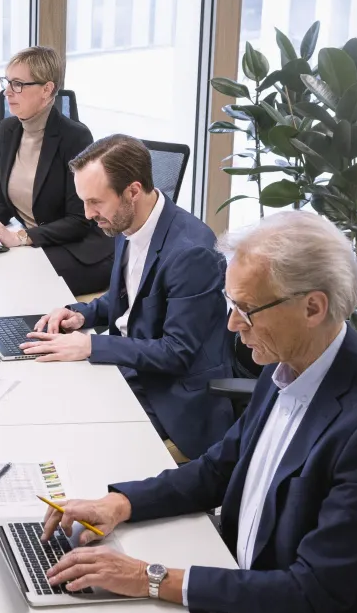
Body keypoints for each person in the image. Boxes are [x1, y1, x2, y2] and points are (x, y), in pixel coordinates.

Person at [40, 211, 357, 613]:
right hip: (246, 579)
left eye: (246, 310)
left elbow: (311, 593)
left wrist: (150, 578)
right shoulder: (288, 362)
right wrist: (121, 504)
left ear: (313, 307)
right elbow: (220, 468)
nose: (231, 325)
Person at [23, 134, 235, 459]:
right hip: (132, 369)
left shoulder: (191, 253)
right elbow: (133, 300)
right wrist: (83, 315)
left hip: (171, 396)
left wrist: (91, 345)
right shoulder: (128, 222)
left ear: (132, 191)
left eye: (95, 201)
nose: (88, 213)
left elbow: (177, 353)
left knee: (77, 440)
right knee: (45, 397)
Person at [0, 46, 113, 295]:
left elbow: (79, 221)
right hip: (36, 245)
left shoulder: (75, 137)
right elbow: (0, 204)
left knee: (3, 276)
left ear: (47, 90)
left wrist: (22, 237)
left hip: (79, 250)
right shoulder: (7, 131)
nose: (7, 92)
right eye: (7, 82)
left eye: (18, 84)